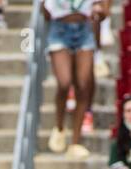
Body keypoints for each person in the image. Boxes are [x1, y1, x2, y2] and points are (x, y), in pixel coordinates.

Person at [43, 0, 103, 158]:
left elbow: (102, 12)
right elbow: (45, 13)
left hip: (85, 29)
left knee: (83, 86)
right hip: (59, 29)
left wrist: (99, 11)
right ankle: (59, 127)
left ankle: (76, 142)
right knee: (64, 83)